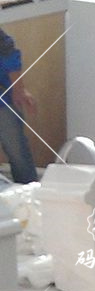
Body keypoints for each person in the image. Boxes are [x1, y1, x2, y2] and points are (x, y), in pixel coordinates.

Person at [0, 29, 38, 184]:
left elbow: (8, 52)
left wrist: (19, 89)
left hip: (4, 101)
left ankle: (29, 190)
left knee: (17, 151)